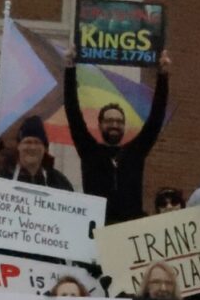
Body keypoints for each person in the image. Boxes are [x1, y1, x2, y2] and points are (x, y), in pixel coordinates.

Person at [63, 46, 171, 222]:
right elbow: (73, 112)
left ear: (124, 126)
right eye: (109, 121)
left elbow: (156, 119)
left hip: (129, 234)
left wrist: (163, 75)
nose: (115, 125)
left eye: (119, 121)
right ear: (100, 124)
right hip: (97, 233)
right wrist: (69, 69)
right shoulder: (89, 151)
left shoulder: (136, 151)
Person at [0, 115, 74, 190]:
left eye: (37, 142)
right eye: (28, 142)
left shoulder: (59, 182)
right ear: (19, 146)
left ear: (45, 148)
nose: (33, 147)